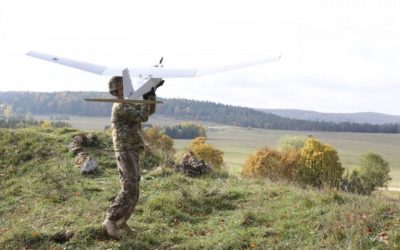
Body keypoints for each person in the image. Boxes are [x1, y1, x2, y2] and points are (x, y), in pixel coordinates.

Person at [102, 76, 156, 239]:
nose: (131, 88)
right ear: (118, 89)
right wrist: (147, 96)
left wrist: (151, 95)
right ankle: (110, 220)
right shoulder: (121, 106)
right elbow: (142, 116)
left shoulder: (128, 103)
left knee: (134, 188)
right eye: (126, 86)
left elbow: (149, 111)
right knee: (129, 188)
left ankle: (121, 221)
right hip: (125, 149)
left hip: (131, 148)